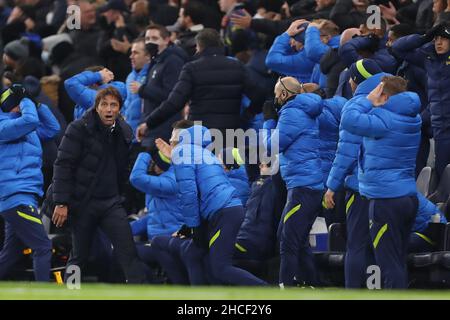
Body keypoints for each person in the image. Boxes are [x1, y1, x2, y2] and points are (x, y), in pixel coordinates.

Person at [50, 87, 147, 284]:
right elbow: (63, 165)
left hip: (111, 203)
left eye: (113, 105)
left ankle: (140, 293)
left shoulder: (125, 133)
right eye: (104, 105)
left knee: (128, 251)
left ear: (120, 108)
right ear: (96, 107)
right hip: (83, 202)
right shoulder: (78, 128)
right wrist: (61, 202)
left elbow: (126, 168)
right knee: (79, 256)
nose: (109, 109)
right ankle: (71, 294)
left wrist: (123, 196)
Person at [157, 120, 267, 285]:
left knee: (221, 268)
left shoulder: (183, 153)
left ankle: (268, 291)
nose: (171, 143)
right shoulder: (204, 154)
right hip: (228, 211)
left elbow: (189, 193)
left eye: (173, 140)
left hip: (223, 213)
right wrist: (190, 227)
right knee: (194, 252)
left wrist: (193, 226)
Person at [341, 75, 421, 289]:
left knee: (388, 264)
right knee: (397, 261)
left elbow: (348, 119)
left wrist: (367, 100)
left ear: (383, 94)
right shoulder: (412, 117)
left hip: (386, 200)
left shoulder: (385, 120)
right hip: (407, 197)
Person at [137, 28, 264, 142]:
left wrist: (149, 123)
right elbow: (259, 95)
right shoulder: (237, 66)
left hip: (199, 135)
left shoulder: (191, 69)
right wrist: (246, 116)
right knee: (228, 167)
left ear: (199, 46)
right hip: (231, 134)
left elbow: (174, 103)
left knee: (201, 167)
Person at [324, 58, 383, 288]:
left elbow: (346, 153)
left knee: (356, 244)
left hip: (360, 188)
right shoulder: (395, 101)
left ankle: (354, 293)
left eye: (350, 78)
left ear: (356, 80)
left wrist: (332, 185)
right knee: (382, 244)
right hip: (387, 189)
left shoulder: (356, 105)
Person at [263, 77, 324, 287]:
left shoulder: (291, 112)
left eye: (276, 93)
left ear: (284, 94)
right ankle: (311, 283)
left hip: (303, 185)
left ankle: (286, 286)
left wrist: (268, 121)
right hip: (307, 184)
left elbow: (270, 147)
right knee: (296, 238)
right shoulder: (304, 109)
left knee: (287, 239)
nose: (274, 98)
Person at [0, 84, 60, 282]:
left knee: (10, 255)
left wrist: (36, 103)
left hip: (24, 196)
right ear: (14, 105)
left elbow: (53, 128)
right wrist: (26, 100)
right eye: (21, 103)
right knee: (43, 247)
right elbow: (31, 119)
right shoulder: (4, 126)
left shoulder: (26, 127)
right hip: (16, 197)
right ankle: (42, 293)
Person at [392, 21, 450, 180]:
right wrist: (424, 37)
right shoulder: (429, 58)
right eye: (436, 38)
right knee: (442, 176)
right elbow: (397, 47)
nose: (438, 42)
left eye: (444, 38)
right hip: (440, 128)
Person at [129, 146, 184, 263]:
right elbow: (155, 216)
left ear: (160, 164)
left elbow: (136, 178)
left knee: (124, 253)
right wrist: (123, 229)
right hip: (157, 240)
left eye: (152, 162)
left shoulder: (172, 181)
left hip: (169, 243)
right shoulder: (161, 180)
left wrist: (145, 153)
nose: (149, 166)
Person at [136, 24, 186, 148]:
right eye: (147, 39)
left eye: (154, 38)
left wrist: (143, 89)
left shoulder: (173, 61)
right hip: (152, 127)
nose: (150, 42)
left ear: (166, 40)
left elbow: (171, 96)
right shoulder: (156, 62)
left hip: (164, 128)